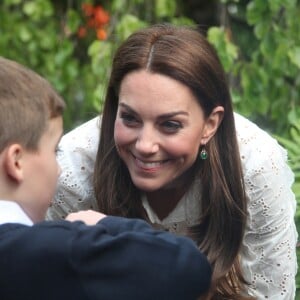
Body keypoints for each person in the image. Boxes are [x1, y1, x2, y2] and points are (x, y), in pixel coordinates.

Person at [47, 24, 298, 299]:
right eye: (130, 118)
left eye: (169, 125)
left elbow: (271, 292)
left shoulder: (255, 165)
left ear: (210, 125)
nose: (145, 145)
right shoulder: (74, 165)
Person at [0, 56, 212, 300]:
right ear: (16, 162)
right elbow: (188, 268)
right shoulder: (59, 249)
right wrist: (100, 225)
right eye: (54, 150)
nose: (59, 169)